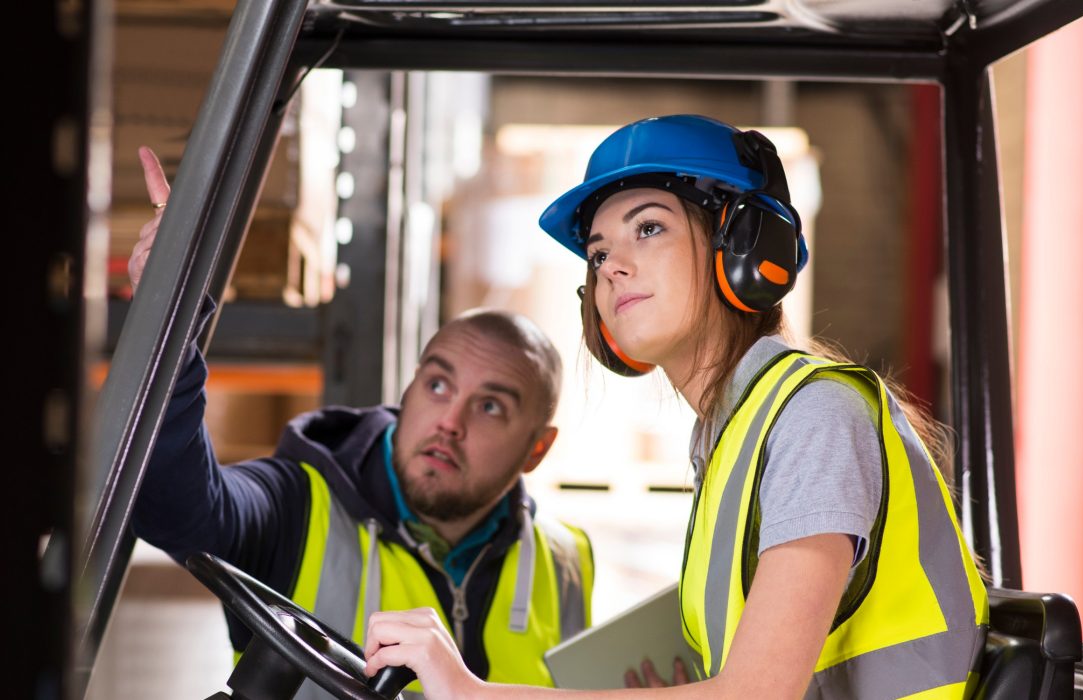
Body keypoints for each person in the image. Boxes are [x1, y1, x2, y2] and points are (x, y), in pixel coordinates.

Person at [361, 115, 989, 699]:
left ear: (743, 244)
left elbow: (754, 694)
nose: (612, 269)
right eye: (600, 252)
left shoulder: (815, 415)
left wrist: (474, 693)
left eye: (650, 228)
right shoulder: (733, 435)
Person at [127, 147, 595, 698]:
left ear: (536, 450)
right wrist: (169, 324)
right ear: (411, 387)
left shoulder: (566, 559)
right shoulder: (296, 508)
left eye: (490, 406)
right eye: (438, 385)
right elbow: (173, 507)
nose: (450, 421)